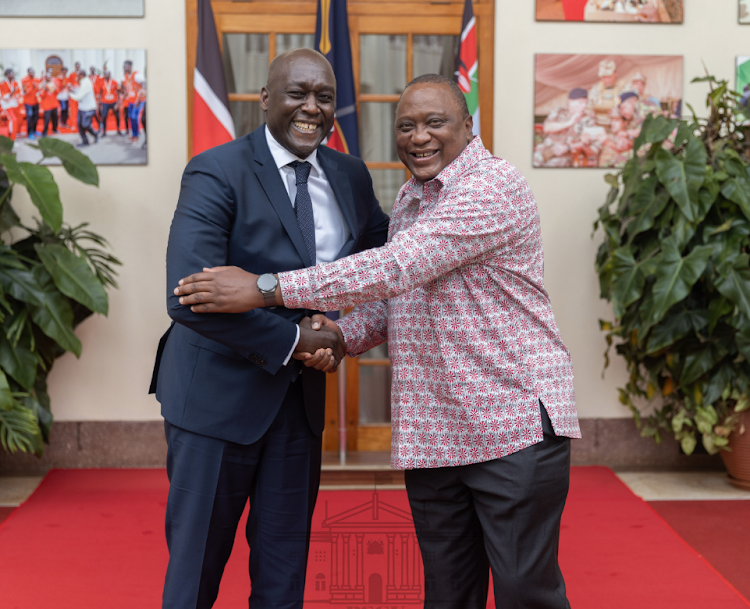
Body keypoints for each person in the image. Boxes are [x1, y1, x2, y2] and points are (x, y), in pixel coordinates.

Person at [175, 73, 581, 609]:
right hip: (438, 433)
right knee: (447, 595)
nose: (419, 137)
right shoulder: (413, 198)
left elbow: (395, 268)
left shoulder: (493, 186)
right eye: (406, 126)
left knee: (526, 593)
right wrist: (336, 336)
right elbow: (400, 300)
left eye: (435, 122)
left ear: (467, 125)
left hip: (510, 425)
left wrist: (264, 288)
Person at [150, 47, 390, 609]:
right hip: (214, 407)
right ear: (265, 98)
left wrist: (339, 333)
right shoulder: (217, 169)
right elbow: (187, 298)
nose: (312, 107)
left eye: (325, 97)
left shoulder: (352, 176)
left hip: (299, 411)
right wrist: (296, 341)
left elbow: (385, 264)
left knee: (283, 581)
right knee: (194, 578)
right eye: (297, 93)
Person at [533, 88, 599, 167]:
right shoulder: (559, 112)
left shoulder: (588, 121)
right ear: (570, 102)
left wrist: (568, 147)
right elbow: (547, 128)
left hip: (566, 155)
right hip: (545, 150)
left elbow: (590, 144)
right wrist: (570, 122)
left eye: (585, 103)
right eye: (580, 102)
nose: (584, 106)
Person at [68, 68, 98, 147]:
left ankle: (95, 134)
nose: (76, 77)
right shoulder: (83, 82)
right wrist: (73, 90)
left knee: (85, 125)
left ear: (81, 75)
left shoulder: (86, 83)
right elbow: (80, 92)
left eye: (77, 75)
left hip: (88, 108)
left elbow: (79, 97)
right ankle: (85, 141)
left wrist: (70, 94)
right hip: (82, 107)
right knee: (79, 125)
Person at [588, 59, 623, 127]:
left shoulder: (624, 88)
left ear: (616, 73)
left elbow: (630, 112)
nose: (606, 80)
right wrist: (590, 113)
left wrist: (619, 112)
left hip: (617, 127)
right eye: (603, 77)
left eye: (609, 76)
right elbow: (588, 108)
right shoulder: (595, 89)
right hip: (598, 125)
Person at [0, 69, 21, 141]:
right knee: (13, 120)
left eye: (13, 74)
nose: (13, 75)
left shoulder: (15, 83)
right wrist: (12, 93)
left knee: (14, 120)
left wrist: (19, 94)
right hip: (7, 106)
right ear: (7, 75)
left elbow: (18, 93)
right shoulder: (2, 83)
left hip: (14, 105)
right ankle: (12, 139)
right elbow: (4, 97)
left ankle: (10, 136)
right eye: (12, 74)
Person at [98, 70, 121, 136]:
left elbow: (119, 92)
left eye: (107, 74)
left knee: (117, 116)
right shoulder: (101, 82)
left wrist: (117, 103)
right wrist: (99, 103)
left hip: (114, 102)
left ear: (110, 75)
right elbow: (100, 93)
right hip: (105, 102)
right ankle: (104, 132)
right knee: (104, 116)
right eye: (105, 74)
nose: (106, 75)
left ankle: (118, 130)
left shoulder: (114, 82)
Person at [38, 70, 60, 137]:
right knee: (47, 119)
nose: (49, 77)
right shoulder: (42, 84)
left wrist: (55, 88)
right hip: (47, 105)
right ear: (45, 77)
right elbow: (41, 96)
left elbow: (57, 93)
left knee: (55, 117)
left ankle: (54, 129)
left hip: (54, 104)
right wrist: (45, 90)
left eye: (50, 76)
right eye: (47, 76)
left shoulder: (53, 83)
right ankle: (44, 132)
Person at [21, 68, 40, 140]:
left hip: (35, 101)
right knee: (30, 117)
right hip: (28, 102)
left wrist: (37, 87)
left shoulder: (37, 79)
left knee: (36, 117)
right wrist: (32, 87)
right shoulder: (24, 80)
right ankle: (30, 132)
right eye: (30, 72)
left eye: (33, 72)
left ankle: (34, 130)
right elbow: (25, 91)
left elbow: (38, 89)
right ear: (28, 73)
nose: (32, 74)